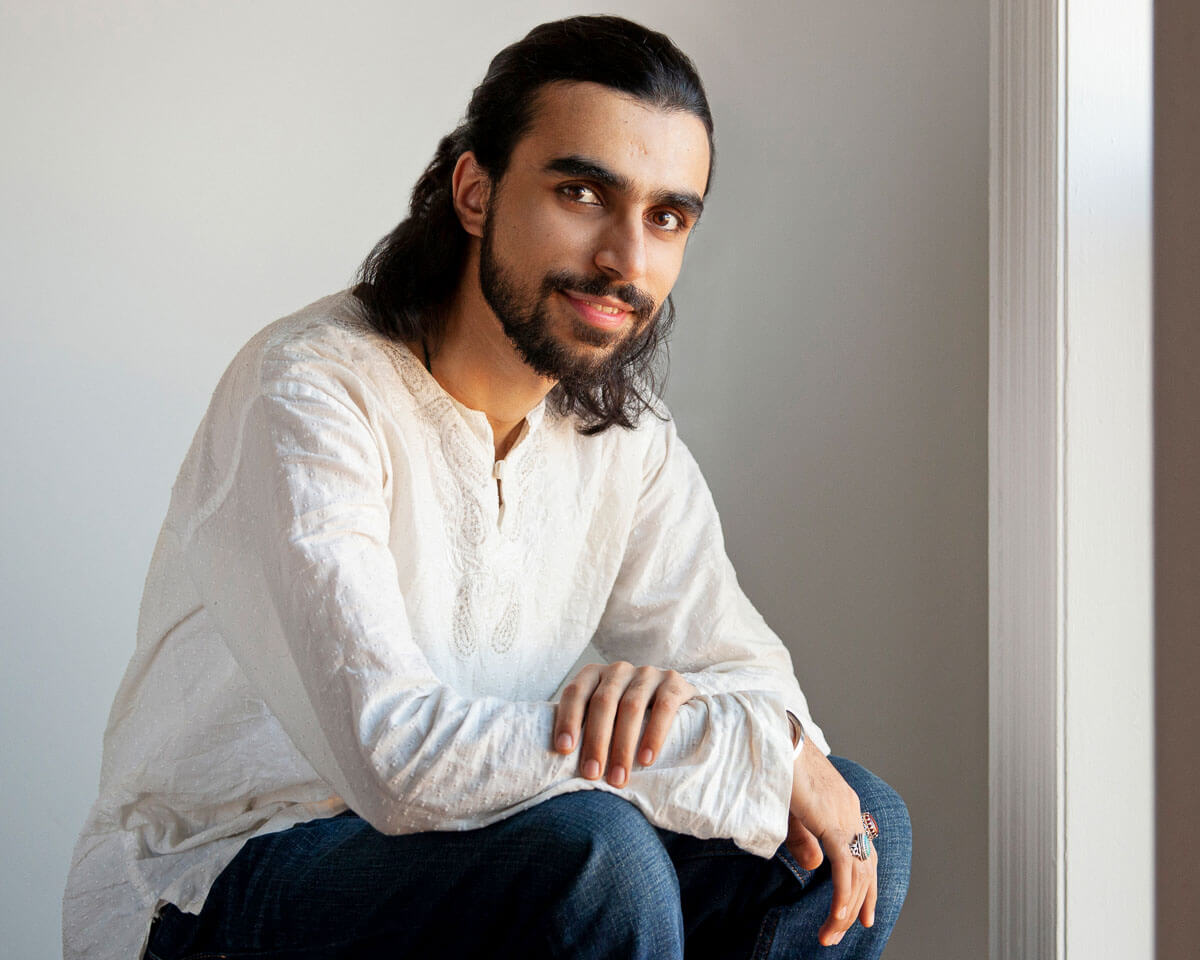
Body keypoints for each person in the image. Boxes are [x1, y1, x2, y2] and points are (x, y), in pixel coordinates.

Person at [64, 15, 910, 960]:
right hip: (224, 874)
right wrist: (714, 748)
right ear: (475, 191)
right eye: (582, 193)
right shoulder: (310, 389)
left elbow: (760, 692)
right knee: (598, 857)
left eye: (667, 218)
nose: (626, 261)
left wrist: (692, 718)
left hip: (496, 839)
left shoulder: (627, 441)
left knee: (849, 829)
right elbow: (392, 757)